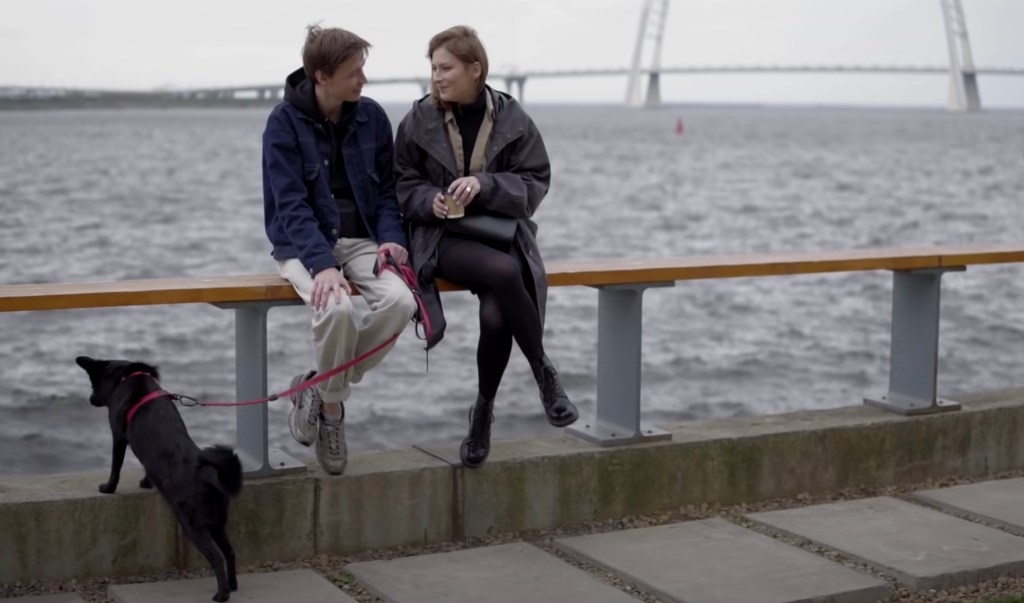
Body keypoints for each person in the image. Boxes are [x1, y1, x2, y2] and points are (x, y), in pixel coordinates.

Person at [394, 25, 578, 469]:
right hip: (441, 237)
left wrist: (486, 184)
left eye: (446, 68)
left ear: (475, 69)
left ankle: (482, 414)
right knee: (505, 272)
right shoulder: (418, 120)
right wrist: (428, 200)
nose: (436, 77)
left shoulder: (513, 119)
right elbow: (400, 183)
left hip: (500, 233)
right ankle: (544, 373)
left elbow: (535, 182)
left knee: (496, 314)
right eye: (434, 68)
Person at [262, 25, 417, 475]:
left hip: (364, 239)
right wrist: (324, 265)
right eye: (354, 72)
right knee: (338, 310)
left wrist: (392, 238)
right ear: (322, 77)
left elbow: (386, 193)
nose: (363, 80)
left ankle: (317, 387)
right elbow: (291, 205)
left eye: (363, 70)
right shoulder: (283, 123)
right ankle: (333, 412)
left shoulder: (372, 117)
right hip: (303, 246)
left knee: (402, 303)